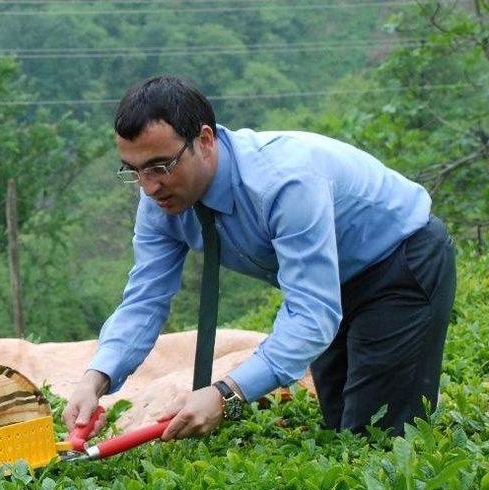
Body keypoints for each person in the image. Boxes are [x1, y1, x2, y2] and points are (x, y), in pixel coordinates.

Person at [62, 75, 456, 440]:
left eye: (160, 166)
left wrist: (226, 393)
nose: (149, 187)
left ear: (204, 140)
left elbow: (311, 313)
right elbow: (144, 300)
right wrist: (95, 379)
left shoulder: (284, 184)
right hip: (333, 278)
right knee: (342, 425)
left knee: (377, 435)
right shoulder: (160, 203)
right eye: (133, 171)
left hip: (398, 264)